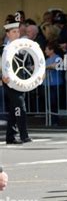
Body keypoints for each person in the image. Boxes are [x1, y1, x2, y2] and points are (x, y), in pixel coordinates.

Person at [1, 16, 32, 144]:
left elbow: (29, 64)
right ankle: (24, 135)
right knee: (20, 106)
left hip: (22, 82)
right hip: (9, 83)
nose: (16, 34)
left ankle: (10, 136)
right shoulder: (3, 49)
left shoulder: (23, 49)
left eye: (18, 31)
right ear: (8, 34)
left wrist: (38, 73)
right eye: (13, 32)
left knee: (14, 109)